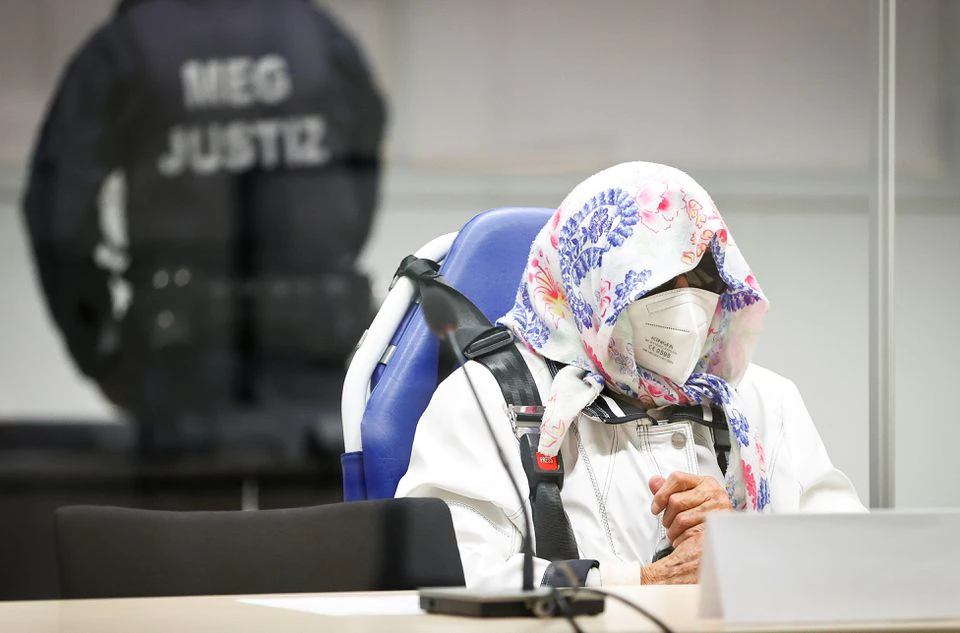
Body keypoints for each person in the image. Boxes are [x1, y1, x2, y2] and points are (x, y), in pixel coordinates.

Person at [396, 161, 865, 587]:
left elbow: (857, 562)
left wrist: (747, 545)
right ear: (597, 282)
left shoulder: (761, 400)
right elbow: (444, 572)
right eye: (658, 281)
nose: (686, 302)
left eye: (700, 277)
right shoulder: (495, 397)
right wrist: (641, 581)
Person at [22, 0, 386, 456]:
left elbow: (58, 212)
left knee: (185, 523)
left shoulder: (129, 43)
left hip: (177, 362)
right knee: (312, 522)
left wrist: (97, 349)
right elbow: (362, 166)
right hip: (315, 352)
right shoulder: (317, 34)